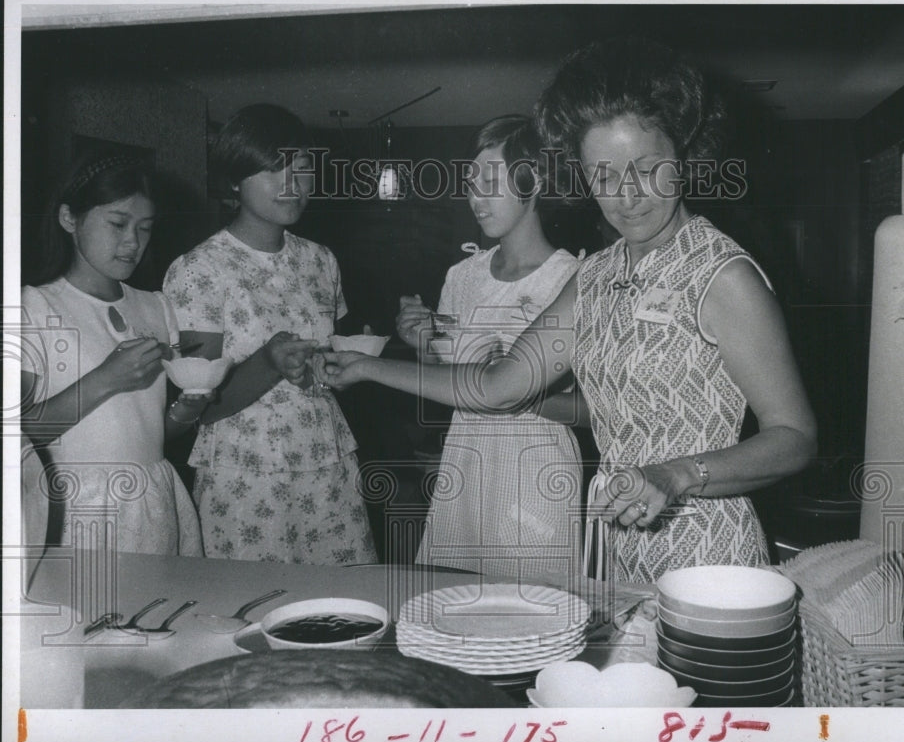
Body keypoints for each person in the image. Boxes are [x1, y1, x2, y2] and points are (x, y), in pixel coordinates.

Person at [317, 38, 816, 584]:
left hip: (706, 550)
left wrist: (676, 475)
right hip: (614, 545)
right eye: (603, 176)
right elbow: (498, 387)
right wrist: (368, 368)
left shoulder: (723, 276)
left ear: (683, 157)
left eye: (647, 168)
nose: (626, 196)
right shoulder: (595, 276)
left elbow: (793, 437)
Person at [163, 103, 376, 565]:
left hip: (326, 458)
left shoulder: (321, 260)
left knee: (343, 609)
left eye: (301, 171)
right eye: (274, 171)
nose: (292, 185)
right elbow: (200, 407)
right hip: (246, 472)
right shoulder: (199, 270)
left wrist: (335, 364)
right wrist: (267, 363)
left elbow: (322, 372)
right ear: (234, 181)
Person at [394, 115, 583, 577]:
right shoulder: (463, 276)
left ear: (534, 179)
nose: (476, 197)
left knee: (532, 617)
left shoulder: (574, 279)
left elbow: (590, 408)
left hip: (537, 471)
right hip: (465, 464)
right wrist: (420, 342)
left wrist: (512, 387)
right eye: (471, 183)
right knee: (452, 605)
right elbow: (447, 375)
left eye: (491, 181)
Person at [20, 151, 206, 555]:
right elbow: (19, 433)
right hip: (74, 505)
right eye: (118, 224)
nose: (132, 242)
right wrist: (105, 379)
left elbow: (147, 431)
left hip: (152, 500)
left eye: (145, 228)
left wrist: (186, 411)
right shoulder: (35, 308)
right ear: (70, 218)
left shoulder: (156, 306)